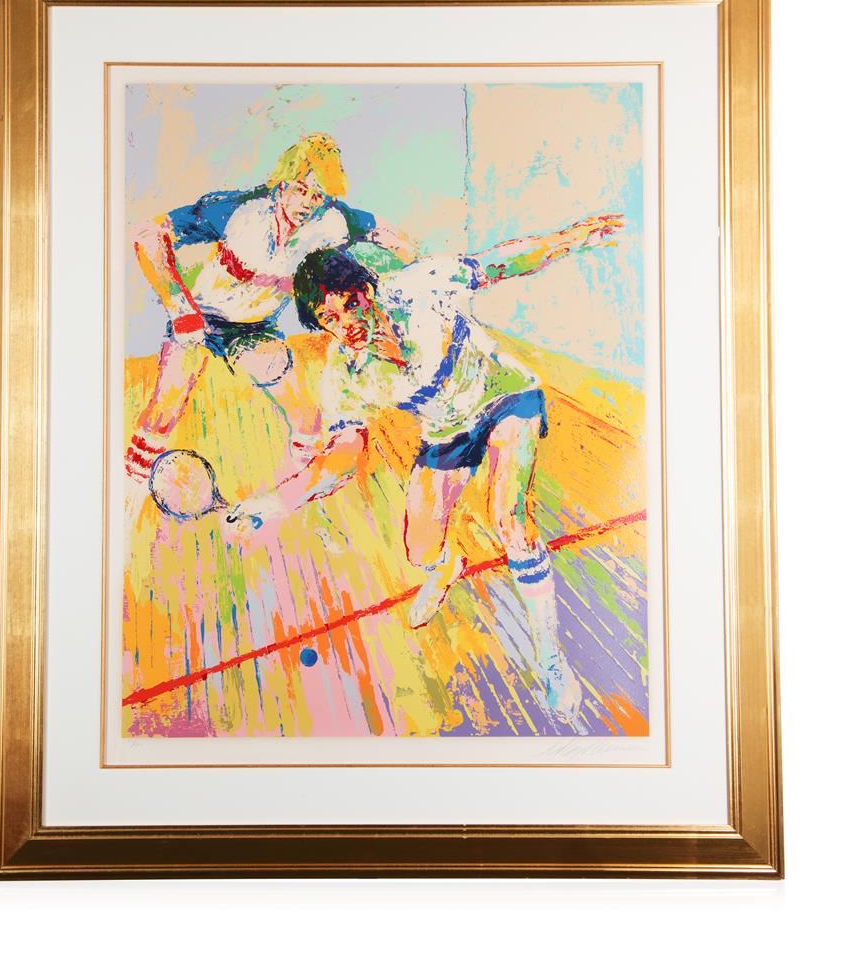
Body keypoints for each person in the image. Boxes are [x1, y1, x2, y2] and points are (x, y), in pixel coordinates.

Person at [225, 212, 625, 723]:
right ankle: (446, 567)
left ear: (367, 288)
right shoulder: (343, 375)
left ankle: (550, 659)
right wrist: (274, 502)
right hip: (446, 430)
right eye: (329, 318)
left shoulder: (423, 285)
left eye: (349, 304)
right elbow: (343, 455)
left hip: (505, 396)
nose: (346, 324)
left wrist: (574, 237)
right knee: (420, 550)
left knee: (509, 521)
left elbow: (503, 262)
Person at [125, 133, 410, 481]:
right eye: (301, 190)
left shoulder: (334, 221)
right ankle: (129, 489)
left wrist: (406, 289)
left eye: (317, 196)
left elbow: (394, 238)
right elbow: (148, 234)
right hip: (199, 318)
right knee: (162, 413)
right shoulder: (235, 210)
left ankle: (295, 494)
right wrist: (179, 306)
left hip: (256, 330)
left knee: (308, 422)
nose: (307, 204)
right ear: (281, 184)